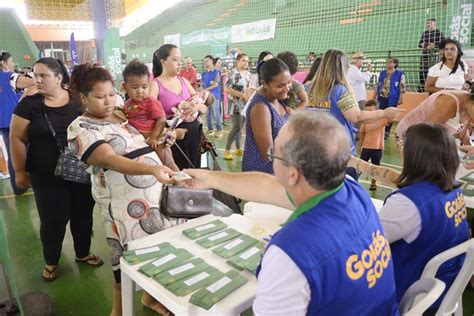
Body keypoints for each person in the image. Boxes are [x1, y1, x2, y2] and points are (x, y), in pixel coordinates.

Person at [184, 111, 399, 315]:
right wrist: (210, 178)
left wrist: (282, 256)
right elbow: (266, 187)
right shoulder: (350, 190)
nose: (272, 158)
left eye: (274, 154)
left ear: (293, 175)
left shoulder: (290, 254)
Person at [68, 64, 182, 316]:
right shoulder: (80, 128)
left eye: (111, 94)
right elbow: (109, 159)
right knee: (125, 261)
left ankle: (151, 298)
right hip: (123, 206)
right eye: (99, 97)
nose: (108, 101)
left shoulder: (121, 115)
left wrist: (166, 143)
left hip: (153, 197)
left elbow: (143, 143)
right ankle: (118, 311)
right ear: (83, 97)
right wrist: (150, 170)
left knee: (158, 249)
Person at [9, 58, 103, 282]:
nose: (37, 80)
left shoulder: (77, 100)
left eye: (43, 75)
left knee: (82, 215)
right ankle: (51, 260)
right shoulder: (29, 104)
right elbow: (17, 138)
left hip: (80, 171)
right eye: (35, 75)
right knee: (53, 220)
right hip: (45, 174)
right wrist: (20, 171)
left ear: (59, 78)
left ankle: (82, 253)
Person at [380, 123, 469, 311]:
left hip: (410, 291)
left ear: (416, 156)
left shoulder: (407, 204)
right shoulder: (453, 189)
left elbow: (367, 241)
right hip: (444, 284)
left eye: (403, 143)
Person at [307, 49, 400, 178]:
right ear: (343, 68)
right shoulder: (340, 90)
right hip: (339, 153)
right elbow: (356, 116)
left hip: (313, 150)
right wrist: (384, 113)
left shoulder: (307, 88)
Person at [149, 44, 208, 169]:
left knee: (196, 173)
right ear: (163, 61)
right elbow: (149, 119)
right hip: (173, 141)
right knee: (180, 177)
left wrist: (196, 107)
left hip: (195, 137)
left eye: (180, 60)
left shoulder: (183, 81)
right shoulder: (155, 85)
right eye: (175, 60)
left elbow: (204, 107)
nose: (179, 63)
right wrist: (171, 132)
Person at [121, 59, 178, 171]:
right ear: (125, 87)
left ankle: (180, 181)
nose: (140, 91)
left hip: (156, 139)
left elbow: (161, 119)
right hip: (140, 140)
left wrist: (154, 137)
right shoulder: (127, 104)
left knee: (168, 163)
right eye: (134, 87)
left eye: (144, 87)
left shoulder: (151, 102)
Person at [241, 58, 289, 173]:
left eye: (288, 82)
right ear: (264, 84)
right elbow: (269, 154)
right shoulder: (260, 109)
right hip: (262, 176)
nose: (287, 88)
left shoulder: (277, 98)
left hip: (278, 172)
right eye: (280, 85)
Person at [395, 85, 474, 148]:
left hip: (430, 140)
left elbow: (461, 132)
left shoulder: (467, 103)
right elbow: (427, 134)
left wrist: (470, 148)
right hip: (411, 136)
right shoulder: (448, 103)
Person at [0, 51, 35, 194]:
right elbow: (34, 82)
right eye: (12, 61)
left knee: (12, 154)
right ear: (3, 63)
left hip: (3, 123)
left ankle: (18, 188)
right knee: (26, 153)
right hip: (17, 121)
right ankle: (28, 183)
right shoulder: (11, 77)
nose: (13, 64)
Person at [223, 53, 252, 160]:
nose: (246, 63)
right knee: (237, 126)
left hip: (245, 104)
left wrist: (248, 96)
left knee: (241, 127)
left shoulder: (249, 74)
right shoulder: (233, 73)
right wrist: (241, 95)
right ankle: (227, 150)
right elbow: (226, 89)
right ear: (238, 62)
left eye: (247, 61)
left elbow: (250, 88)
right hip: (234, 103)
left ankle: (238, 147)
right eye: (243, 60)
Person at [358, 100, 388, 190]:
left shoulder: (382, 119)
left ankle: (373, 183)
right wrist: (360, 146)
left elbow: (390, 118)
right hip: (366, 147)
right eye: (367, 112)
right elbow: (362, 134)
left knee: (375, 167)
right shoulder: (365, 122)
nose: (369, 114)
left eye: (371, 112)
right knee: (361, 166)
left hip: (377, 148)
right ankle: (355, 180)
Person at [375, 57, 406, 139]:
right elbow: (378, 85)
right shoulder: (382, 73)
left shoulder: (400, 74)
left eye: (390, 62)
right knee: (380, 113)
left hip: (393, 97)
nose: (388, 63)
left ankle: (387, 131)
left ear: (395, 64)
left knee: (390, 115)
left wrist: (401, 98)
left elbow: (402, 87)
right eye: (387, 62)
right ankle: (380, 129)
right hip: (381, 97)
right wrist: (374, 96)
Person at [418, 18, 445, 92]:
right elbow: (419, 44)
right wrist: (422, 44)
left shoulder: (439, 33)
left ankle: (432, 88)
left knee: (433, 71)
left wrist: (434, 45)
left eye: (430, 23)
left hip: (434, 56)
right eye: (427, 23)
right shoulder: (425, 33)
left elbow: (443, 44)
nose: (428, 24)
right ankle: (422, 88)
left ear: (434, 24)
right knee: (423, 71)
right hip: (425, 55)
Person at [202, 55, 222, 137]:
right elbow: (202, 84)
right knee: (208, 114)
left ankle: (219, 130)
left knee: (216, 114)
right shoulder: (204, 73)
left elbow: (215, 84)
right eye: (204, 61)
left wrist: (205, 90)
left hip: (215, 96)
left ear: (211, 62)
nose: (205, 63)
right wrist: (202, 90)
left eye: (207, 61)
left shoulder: (216, 72)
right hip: (206, 96)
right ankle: (210, 130)